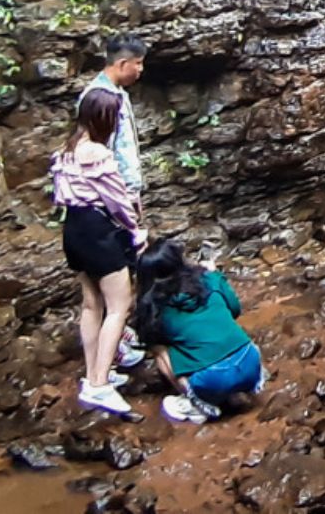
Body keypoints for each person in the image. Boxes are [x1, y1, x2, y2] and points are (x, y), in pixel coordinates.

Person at [52, 88, 147, 416]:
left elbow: (60, 195)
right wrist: (136, 233)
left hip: (73, 229)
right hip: (98, 231)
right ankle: (99, 385)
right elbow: (117, 200)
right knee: (119, 306)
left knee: (91, 305)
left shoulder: (66, 150)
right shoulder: (99, 154)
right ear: (104, 119)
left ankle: (93, 375)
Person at [133, 239, 263, 424]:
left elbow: (149, 340)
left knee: (160, 349)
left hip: (211, 379)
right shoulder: (209, 278)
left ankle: (196, 402)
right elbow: (234, 309)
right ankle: (232, 390)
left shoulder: (154, 308)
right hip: (251, 361)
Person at [80, 33, 149, 368]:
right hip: (108, 206)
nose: (140, 69)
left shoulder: (114, 92)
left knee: (98, 295)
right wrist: (126, 206)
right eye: (137, 64)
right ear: (122, 64)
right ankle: (108, 363)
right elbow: (103, 160)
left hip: (108, 203)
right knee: (114, 286)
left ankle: (115, 345)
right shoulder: (100, 99)